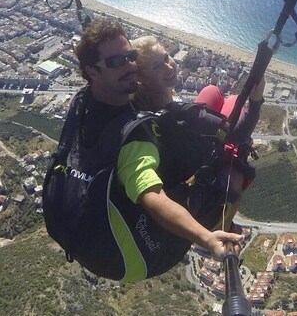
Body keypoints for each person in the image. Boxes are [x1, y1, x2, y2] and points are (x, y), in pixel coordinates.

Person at [57, 19, 242, 281]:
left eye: (130, 56)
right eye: (115, 62)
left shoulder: (83, 102)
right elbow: (151, 196)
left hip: (85, 233)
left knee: (213, 97)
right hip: (134, 257)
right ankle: (220, 219)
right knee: (237, 164)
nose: (129, 66)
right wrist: (206, 238)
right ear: (92, 71)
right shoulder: (133, 132)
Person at [129, 35, 265, 230]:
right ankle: (222, 221)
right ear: (141, 78)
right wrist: (256, 101)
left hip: (177, 156)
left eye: (166, 58)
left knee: (212, 91)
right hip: (198, 176)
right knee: (235, 101)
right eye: (156, 66)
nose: (168, 67)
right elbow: (239, 134)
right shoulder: (184, 116)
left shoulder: (140, 102)